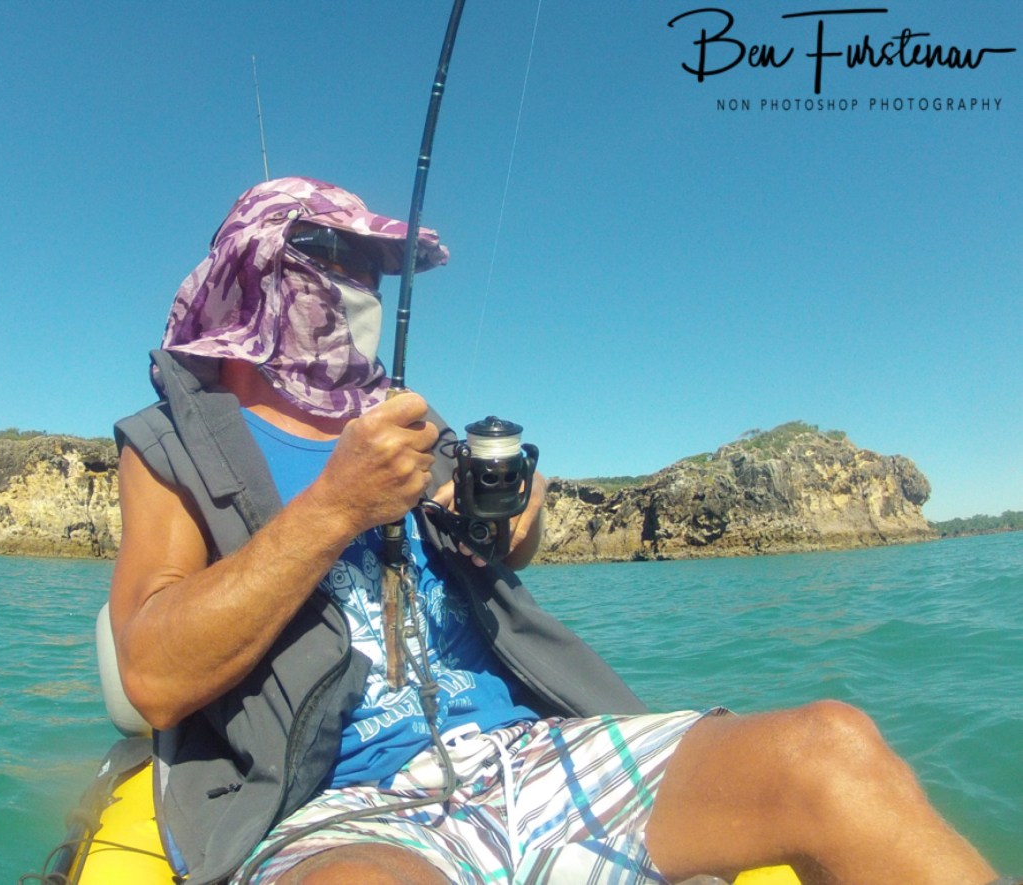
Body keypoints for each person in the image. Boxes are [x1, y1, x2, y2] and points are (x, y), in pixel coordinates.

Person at [109, 177, 1008, 885]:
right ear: (255, 266)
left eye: (376, 263)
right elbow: (151, 676)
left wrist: (516, 516)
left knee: (833, 749)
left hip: (527, 749)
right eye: (336, 254)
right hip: (343, 801)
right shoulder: (173, 445)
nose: (365, 281)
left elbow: (503, 555)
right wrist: (336, 506)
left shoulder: (410, 422)